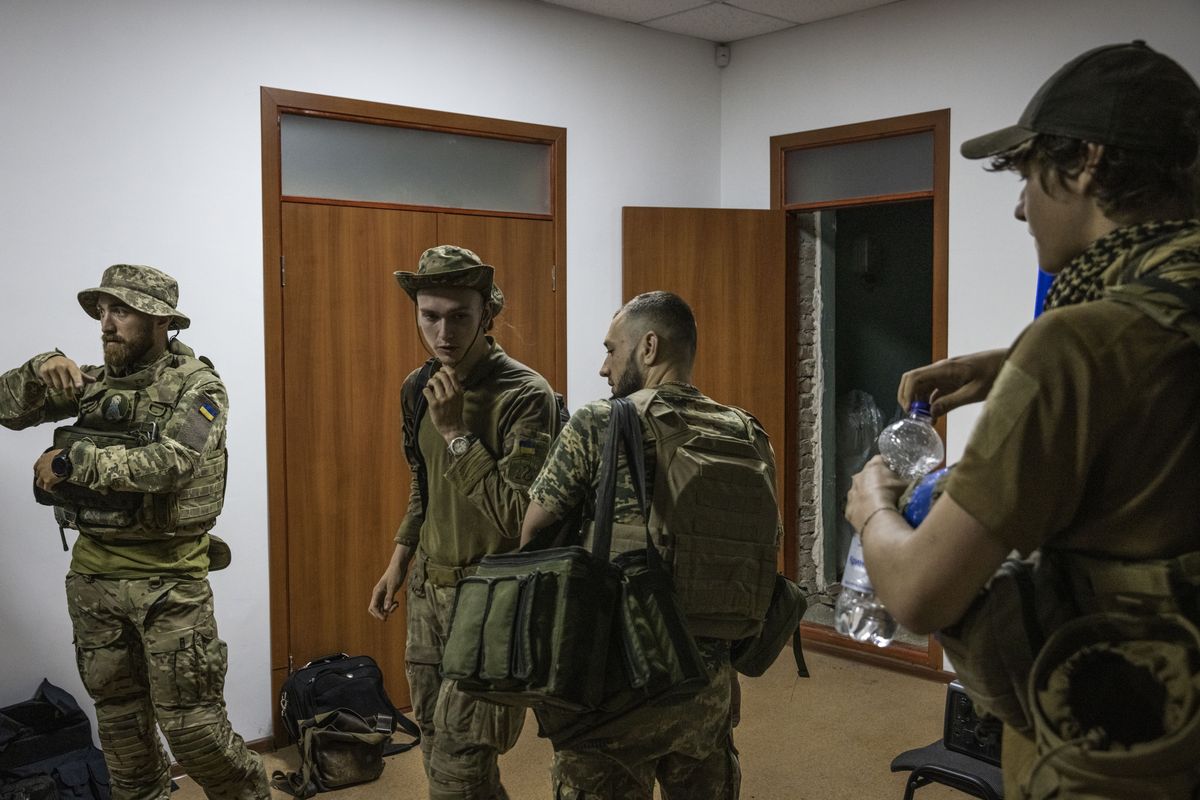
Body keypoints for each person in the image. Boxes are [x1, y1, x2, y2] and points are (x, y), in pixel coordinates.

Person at [846, 41, 1200, 798]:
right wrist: (1004, 366)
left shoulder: (1075, 345)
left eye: (1032, 176)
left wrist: (872, 508)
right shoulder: (1147, 321)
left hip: (1119, 758)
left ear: (1088, 164)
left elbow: (919, 592)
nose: (1018, 205)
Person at [0, 264, 269, 799]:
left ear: (160, 321)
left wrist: (73, 465)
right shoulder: (91, 385)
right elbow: (5, 410)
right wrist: (39, 366)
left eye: (120, 310)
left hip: (170, 585)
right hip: (94, 583)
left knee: (194, 732)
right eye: (102, 311)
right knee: (122, 735)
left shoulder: (200, 388)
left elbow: (174, 461)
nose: (106, 324)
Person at [520, 290, 778, 799]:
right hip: (707, 692)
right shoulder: (747, 433)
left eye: (612, 349)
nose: (602, 367)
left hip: (616, 687)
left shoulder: (600, 422)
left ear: (649, 347)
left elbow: (532, 531)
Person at [367, 245, 558, 800]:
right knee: (439, 745)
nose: (442, 332)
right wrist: (398, 560)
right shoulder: (417, 386)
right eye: (430, 315)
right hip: (430, 593)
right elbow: (424, 485)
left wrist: (456, 434)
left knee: (459, 763)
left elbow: (521, 516)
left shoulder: (525, 395)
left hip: (493, 599)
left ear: (486, 316)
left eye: (459, 317)